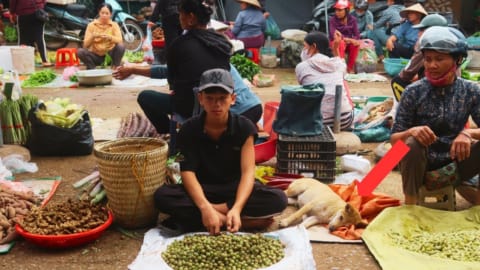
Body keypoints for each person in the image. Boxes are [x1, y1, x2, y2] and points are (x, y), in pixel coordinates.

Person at [154, 68, 288, 235]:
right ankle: (236, 221)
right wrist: (205, 207)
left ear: (233, 99)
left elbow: (248, 173)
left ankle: (208, 217)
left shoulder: (244, 127)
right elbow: (187, 172)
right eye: (210, 98)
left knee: (279, 199)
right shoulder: (188, 129)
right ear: (200, 98)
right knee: (162, 196)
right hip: (202, 189)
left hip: (234, 189)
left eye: (222, 98)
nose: (216, 104)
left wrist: (236, 207)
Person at [391, 26, 480, 206]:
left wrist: (467, 134)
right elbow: (394, 141)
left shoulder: (471, 91)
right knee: (411, 143)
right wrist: (411, 132)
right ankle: (411, 204)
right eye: (428, 59)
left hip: (457, 163)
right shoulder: (413, 92)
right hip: (420, 167)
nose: (432, 65)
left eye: (439, 59)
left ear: (457, 60)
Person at [137, 0, 232, 135]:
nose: (179, 19)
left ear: (191, 18)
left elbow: (173, 80)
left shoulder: (179, 44)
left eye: (181, 14)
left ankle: (167, 130)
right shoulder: (222, 42)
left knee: (145, 97)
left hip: (191, 105)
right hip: (221, 101)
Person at [114, 63, 263, 124]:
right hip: (255, 107)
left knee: (146, 97)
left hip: (239, 112)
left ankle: (167, 131)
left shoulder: (196, 59)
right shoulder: (219, 56)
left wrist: (133, 69)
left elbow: (165, 71)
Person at [295, 31, 354, 131]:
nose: (303, 50)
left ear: (313, 47)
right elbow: (341, 64)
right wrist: (336, 48)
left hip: (317, 122)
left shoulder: (301, 67)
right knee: (342, 83)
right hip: (345, 120)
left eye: (305, 47)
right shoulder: (338, 64)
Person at [391, 13, 448, 102]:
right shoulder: (451, 43)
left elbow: (406, 73)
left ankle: (407, 112)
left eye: (421, 30)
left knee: (397, 81)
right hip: (449, 91)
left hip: (436, 93)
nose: (418, 33)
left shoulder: (425, 46)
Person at [77, 3, 125, 70]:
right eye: (102, 13)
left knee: (121, 46)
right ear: (99, 12)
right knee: (80, 52)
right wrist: (92, 37)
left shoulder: (114, 25)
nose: (104, 15)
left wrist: (110, 37)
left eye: (107, 13)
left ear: (110, 14)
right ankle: (92, 68)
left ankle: (115, 67)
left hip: (110, 56)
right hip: (95, 57)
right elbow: (85, 45)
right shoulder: (91, 25)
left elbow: (120, 40)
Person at [9, 0, 53, 67]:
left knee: (23, 38)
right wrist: (40, 5)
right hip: (37, 12)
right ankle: (45, 61)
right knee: (39, 37)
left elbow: (13, 2)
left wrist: (12, 13)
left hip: (23, 14)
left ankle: (22, 63)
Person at [328, 0, 360, 74]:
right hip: (335, 42)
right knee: (341, 43)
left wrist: (353, 40)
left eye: (340, 10)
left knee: (355, 45)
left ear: (347, 10)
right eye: (336, 10)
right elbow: (333, 34)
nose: (337, 12)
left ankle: (349, 68)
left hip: (348, 42)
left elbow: (357, 34)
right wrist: (346, 39)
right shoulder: (332, 20)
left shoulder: (353, 19)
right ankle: (341, 68)